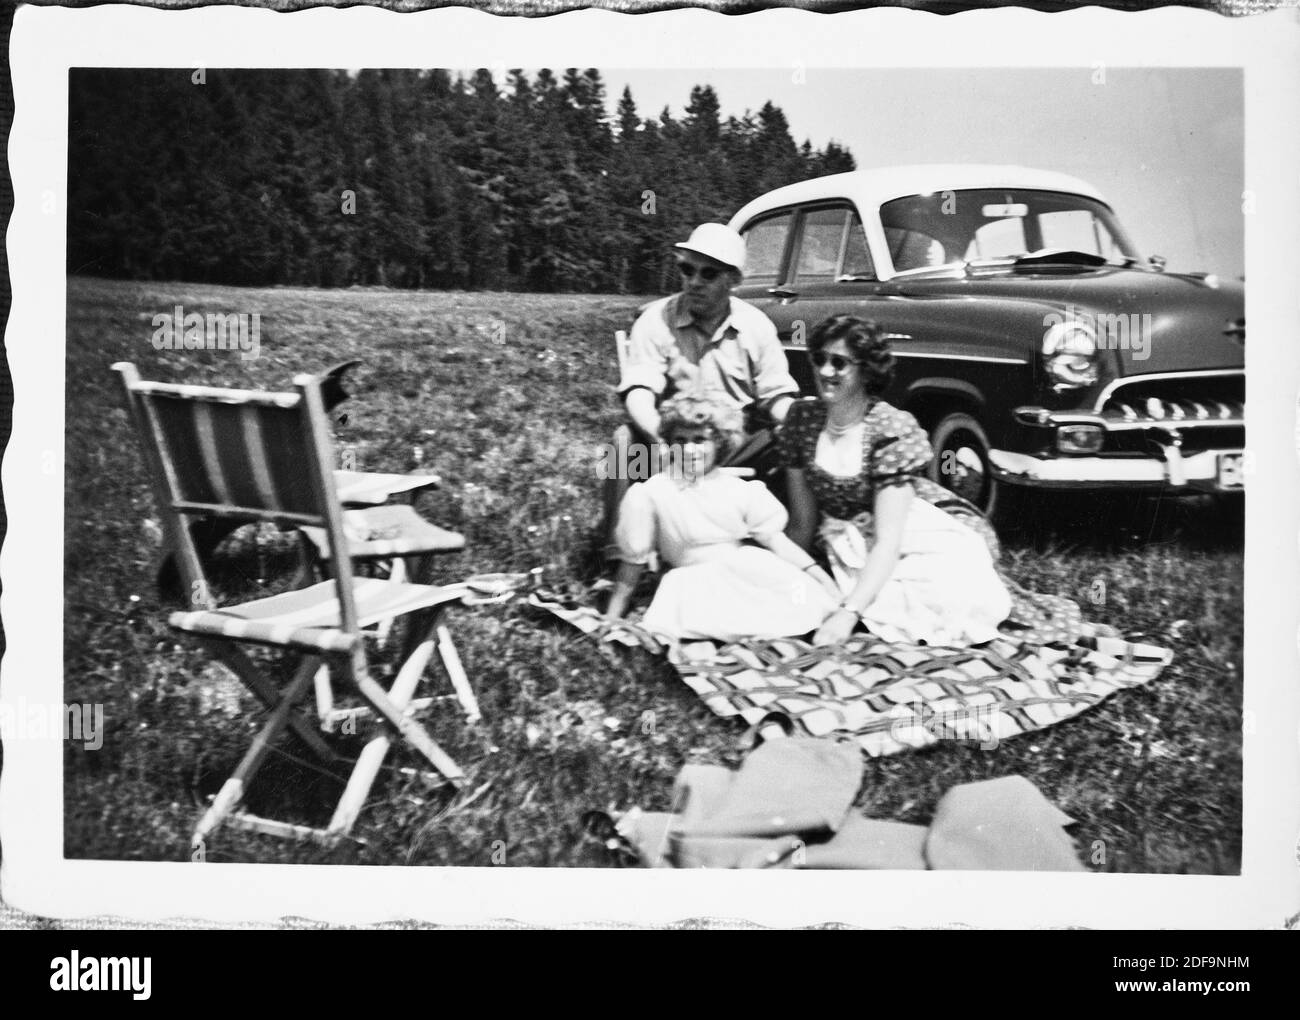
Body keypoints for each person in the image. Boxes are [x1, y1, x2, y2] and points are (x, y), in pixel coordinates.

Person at [782, 314, 1035, 648]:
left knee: (942, 602)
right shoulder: (803, 420)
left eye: (839, 363)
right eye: (819, 359)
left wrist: (848, 613)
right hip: (842, 544)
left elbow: (889, 541)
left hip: (904, 535)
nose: (825, 372)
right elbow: (802, 524)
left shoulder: (890, 429)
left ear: (865, 370)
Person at [602, 223, 800, 556]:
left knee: (792, 443)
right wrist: (661, 437)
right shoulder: (655, 320)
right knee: (623, 444)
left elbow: (776, 394)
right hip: (673, 435)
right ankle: (617, 555)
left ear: (733, 280)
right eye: (686, 269)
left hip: (735, 439)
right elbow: (638, 390)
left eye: (708, 274)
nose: (693, 282)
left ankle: (787, 545)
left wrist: (802, 426)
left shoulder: (756, 327)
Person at [605, 390, 840, 642]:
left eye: (699, 440)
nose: (689, 450)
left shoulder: (738, 488)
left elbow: (777, 542)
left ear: (719, 442)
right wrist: (611, 617)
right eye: (681, 440)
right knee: (712, 621)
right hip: (693, 581)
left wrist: (820, 577)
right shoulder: (655, 491)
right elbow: (633, 560)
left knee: (799, 594)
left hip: (747, 570)